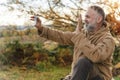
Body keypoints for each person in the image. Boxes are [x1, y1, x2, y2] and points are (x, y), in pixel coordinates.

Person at [30, 5, 115, 80]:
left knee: (84, 61)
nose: (85, 20)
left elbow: (96, 56)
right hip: (80, 76)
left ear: (99, 19)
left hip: (100, 77)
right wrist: (41, 28)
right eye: (85, 17)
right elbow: (61, 36)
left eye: (88, 17)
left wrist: (79, 36)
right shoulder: (82, 33)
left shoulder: (107, 39)